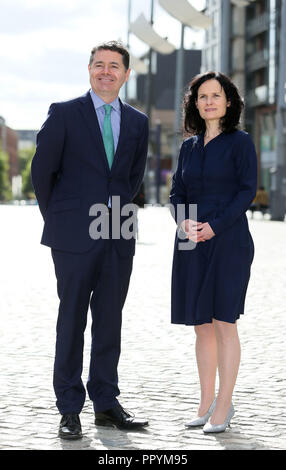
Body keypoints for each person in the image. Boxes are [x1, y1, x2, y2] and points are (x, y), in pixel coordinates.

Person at [31, 41, 149, 439]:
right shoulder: (64, 114)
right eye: (99, 65)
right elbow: (42, 173)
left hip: (118, 232)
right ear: (88, 69)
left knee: (111, 320)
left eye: (114, 66)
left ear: (126, 74)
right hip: (73, 238)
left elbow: (133, 178)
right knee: (72, 319)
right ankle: (69, 408)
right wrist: (62, 220)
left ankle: (106, 403)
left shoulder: (138, 121)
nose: (106, 72)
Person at [170, 72, 257, 433]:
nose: (209, 101)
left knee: (223, 322)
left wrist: (214, 226)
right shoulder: (188, 147)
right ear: (195, 104)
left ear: (229, 101)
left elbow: (246, 191)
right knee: (200, 326)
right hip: (191, 242)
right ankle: (205, 402)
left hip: (229, 241)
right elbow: (176, 193)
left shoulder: (241, 142)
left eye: (216, 95)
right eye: (202, 96)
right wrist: (183, 223)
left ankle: (225, 404)